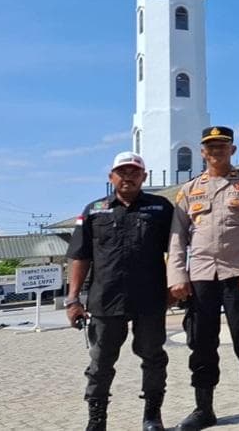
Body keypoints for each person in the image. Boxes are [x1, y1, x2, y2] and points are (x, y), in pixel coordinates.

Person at [168, 126, 239, 429]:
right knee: (200, 341)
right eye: (210, 147)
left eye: (222, 146)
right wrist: (177, 275)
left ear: (233, 150)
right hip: (200, 276)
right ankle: (203, 407)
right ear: (203, 152)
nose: (216, 151)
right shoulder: (188, 191)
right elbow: (177, 237)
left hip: (238, 274)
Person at [66, 151, 174, 431]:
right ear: (111, 177)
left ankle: (152, 415)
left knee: (153, 356)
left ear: (144, 176)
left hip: (149, 298)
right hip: (105, 298)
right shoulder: (93, 210)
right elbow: (80, 256)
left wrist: (175, 285)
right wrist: (72, 299)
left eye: (134, 172)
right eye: (122, 172)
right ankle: (97, 419)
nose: (128, 176)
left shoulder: (161, 208)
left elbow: (177, 250)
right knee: (100, 363)